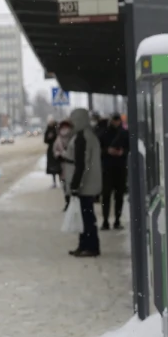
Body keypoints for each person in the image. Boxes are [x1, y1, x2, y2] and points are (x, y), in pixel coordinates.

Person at [67, 107, 102, 258]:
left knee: (86, 217)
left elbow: (81, 164)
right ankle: (84, 245)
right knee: (86, 216)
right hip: (88, 183)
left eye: (73, 120)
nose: (72, 124)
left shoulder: (82, 137)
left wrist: (75, 185)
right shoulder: (89, 135)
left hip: (84, 185)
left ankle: (90, 247)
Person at [100, 112, 128, 231]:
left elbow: (130, 148)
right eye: (114, 119)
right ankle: (106, 220)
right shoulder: (104, 133)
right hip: (108, 168)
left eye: (118, 119)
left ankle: (117, 219)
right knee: (106, 195)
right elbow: (99, 149)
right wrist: (108, 151)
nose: (116, 122)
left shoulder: (124, 133)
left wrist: (122, 152)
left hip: (120, 168)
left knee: (119, 196)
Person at [53, 120, 75, 211]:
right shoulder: (58, 140)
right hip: (62, 166)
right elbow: (54, 151)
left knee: (71, 184)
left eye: (66, 127)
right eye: (63, 128)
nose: (64, 130)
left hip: (72, 165)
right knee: (64, 185)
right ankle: (67, 202)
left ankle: (72, 202)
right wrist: (58, 155)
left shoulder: (73, 138)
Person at [44, 118, 61, 187]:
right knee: (52, 167)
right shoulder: (48, 130)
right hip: (51, 150)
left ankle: (61, 181)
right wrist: (48, 138)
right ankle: (54, 182)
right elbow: (45, 140)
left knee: (60, 166)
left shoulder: (57, 129)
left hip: (58, 148)